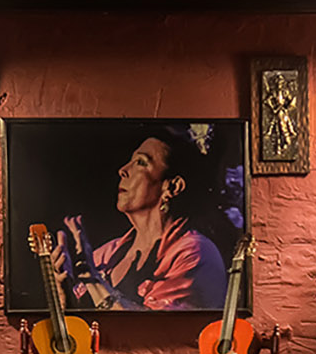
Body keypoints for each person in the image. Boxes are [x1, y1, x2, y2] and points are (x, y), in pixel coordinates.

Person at [51, 130, 229, 310]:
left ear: (172, 187)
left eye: (140, 163)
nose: (123, 170)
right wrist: (63, 290)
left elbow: (156, 328)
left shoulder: (194, 253)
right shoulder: (106, 255)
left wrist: (94, 281)